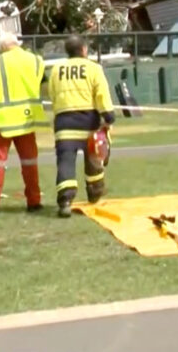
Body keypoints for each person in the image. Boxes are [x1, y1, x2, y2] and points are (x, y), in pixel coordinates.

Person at [48, 35, 116, 218]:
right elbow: (101, 94)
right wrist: (108, 116)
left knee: (65, 161)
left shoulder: (56, 70)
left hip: (64, 121)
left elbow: (52, 95)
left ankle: (65, 201)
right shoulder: (94, 68)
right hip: (89, 122)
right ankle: (95, 193)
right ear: (84, 49)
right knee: (93, 159)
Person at [0, 32, 48, 213]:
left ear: (2, 46)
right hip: (27, 118)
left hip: (3, 119)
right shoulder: (36, 60)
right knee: (29, 162)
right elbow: (45, 88)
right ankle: (34, 201)